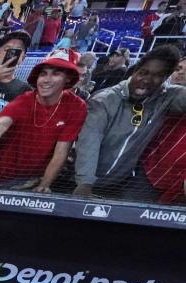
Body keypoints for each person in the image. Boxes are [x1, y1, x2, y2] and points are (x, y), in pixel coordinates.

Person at [74, 45, 186, 200]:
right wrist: (85, 183)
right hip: (78, 184)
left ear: (164, 79)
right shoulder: (105, 100)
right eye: (143, 72)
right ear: (135, 70)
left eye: (157, 76)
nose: (146, 79)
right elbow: (89, 143)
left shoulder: (165, 98)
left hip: (118, 188)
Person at [0, 48, 86, 191]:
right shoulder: (24, 100)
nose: (46, 80)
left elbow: (61, 151)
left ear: (68, 78)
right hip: (3, 177)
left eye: (56, 74)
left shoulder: (76, 106)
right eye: (43, 74)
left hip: (37, 180)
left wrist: (45, 184)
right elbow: (0, 125)